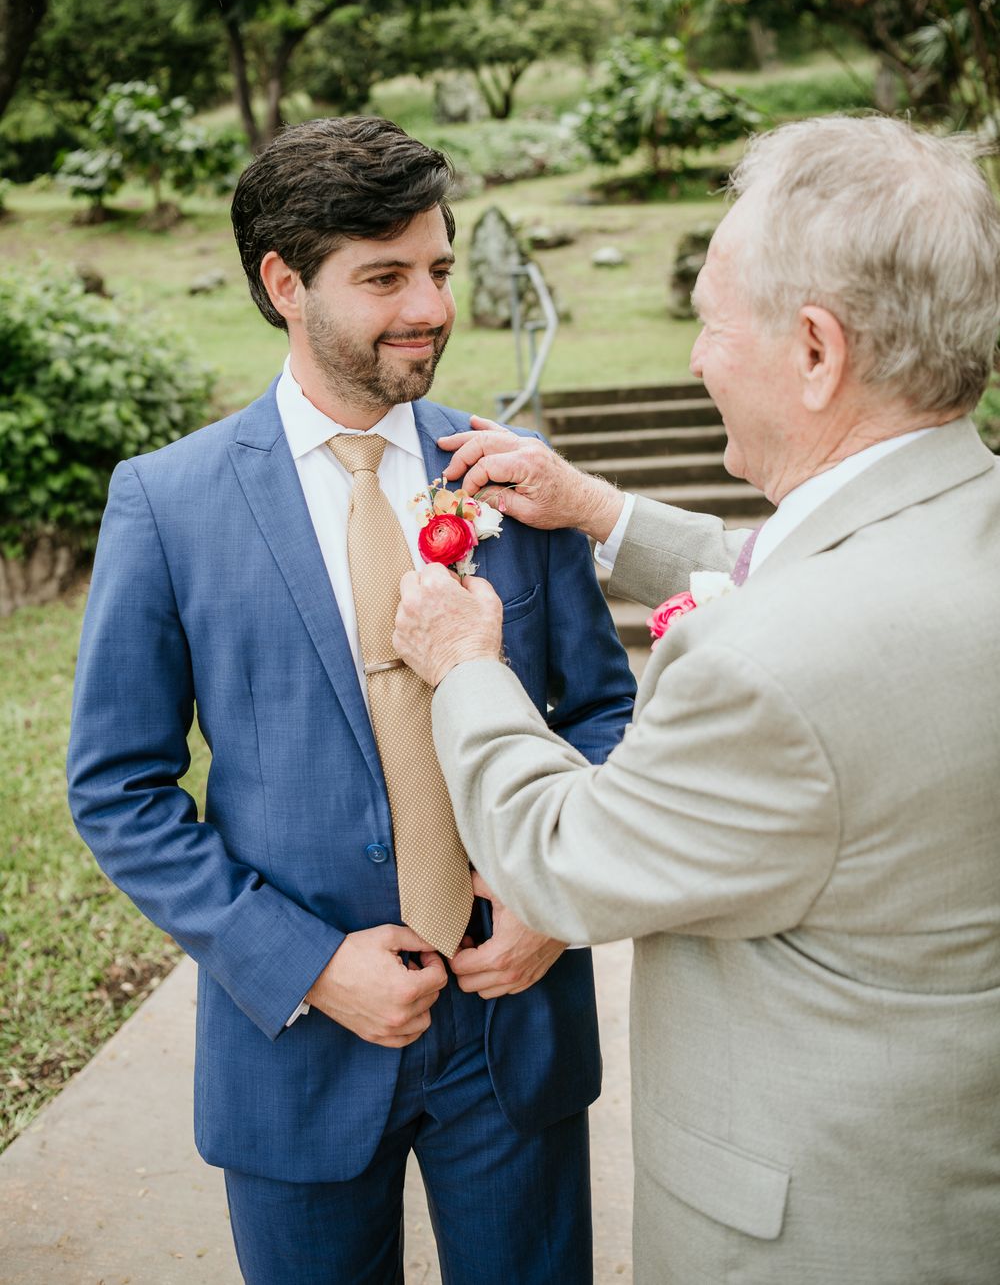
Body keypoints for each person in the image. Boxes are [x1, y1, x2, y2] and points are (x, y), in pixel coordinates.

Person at [392, 114, 1000, 1284]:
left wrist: (468, 662)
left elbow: (561, 859)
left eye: (713, 322)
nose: (693, 359)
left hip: (820, 1226)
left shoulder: (763, 668)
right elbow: (837, 568)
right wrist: (602, 513)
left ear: (816, 351)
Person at [67, 116, 635, 1285]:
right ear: (286, 284)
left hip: (514, 1024)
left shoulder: (508, 477)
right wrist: (308, 966)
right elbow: (116, 790)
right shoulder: (166, 505)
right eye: (383, 278)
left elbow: (604, 715)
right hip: (297, 1044)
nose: (428, 304)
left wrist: (553, 898)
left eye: (436, 266)